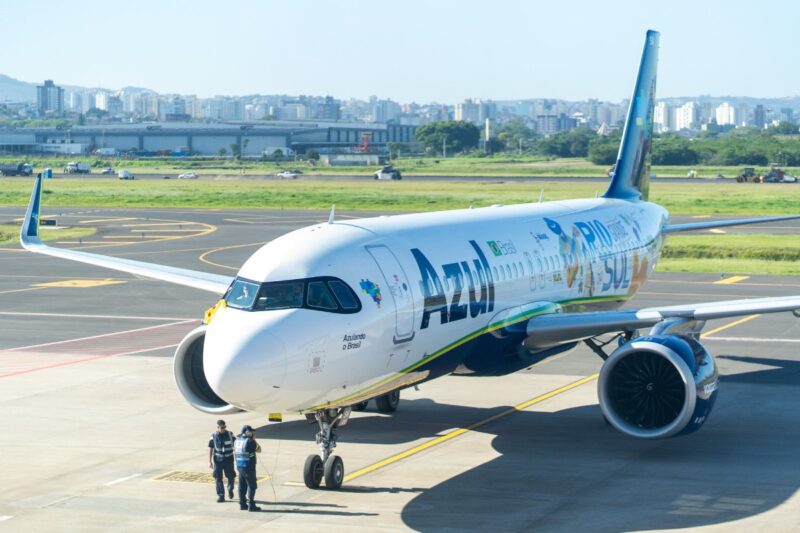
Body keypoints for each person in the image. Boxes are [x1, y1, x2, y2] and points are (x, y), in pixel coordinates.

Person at [234, 424, 262, 511]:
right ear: (246, 432)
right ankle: (251, 505)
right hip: (249, 466)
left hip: (240, 465)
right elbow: (259, 449)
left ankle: (242, 504)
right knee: (252, 485)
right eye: (251, 432)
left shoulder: (237, 440)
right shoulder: (249, 441)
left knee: (242, 485)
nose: (252, 433)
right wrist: (253, 439)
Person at [208, 419, 236, 502]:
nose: (223, 429)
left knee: (231, 476)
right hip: (218, 460)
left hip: (228, 459)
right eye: (222, 427)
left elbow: (236, 445)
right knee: (218, 478)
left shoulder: (230, 435)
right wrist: (209, 461)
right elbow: (210, 448)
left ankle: (230, 489)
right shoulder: (213, 436)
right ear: (218, 427)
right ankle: (221, 495)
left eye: (224, 427)